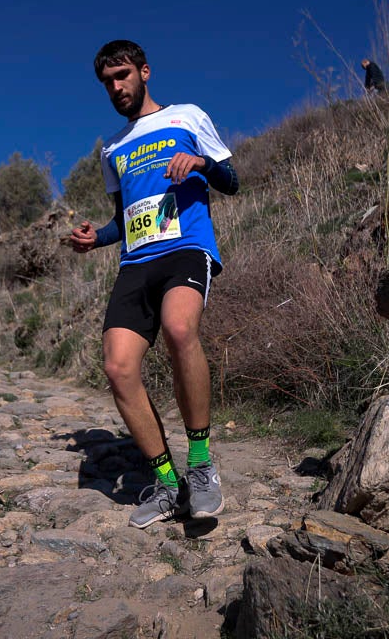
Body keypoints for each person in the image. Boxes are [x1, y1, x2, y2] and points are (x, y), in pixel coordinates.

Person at [68, 39, 240, 528]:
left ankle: (202, 465)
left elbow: (232, 180)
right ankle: (169, 483)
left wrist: (201, 164)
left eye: (122, 75)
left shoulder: (186, 117)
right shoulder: (113, 148)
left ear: (145, 71)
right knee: (118, 366)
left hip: (186, 249)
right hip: (135, 263)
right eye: (107, 82)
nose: (115, 86)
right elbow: (122, 220)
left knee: (179, 329)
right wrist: (94, 238)